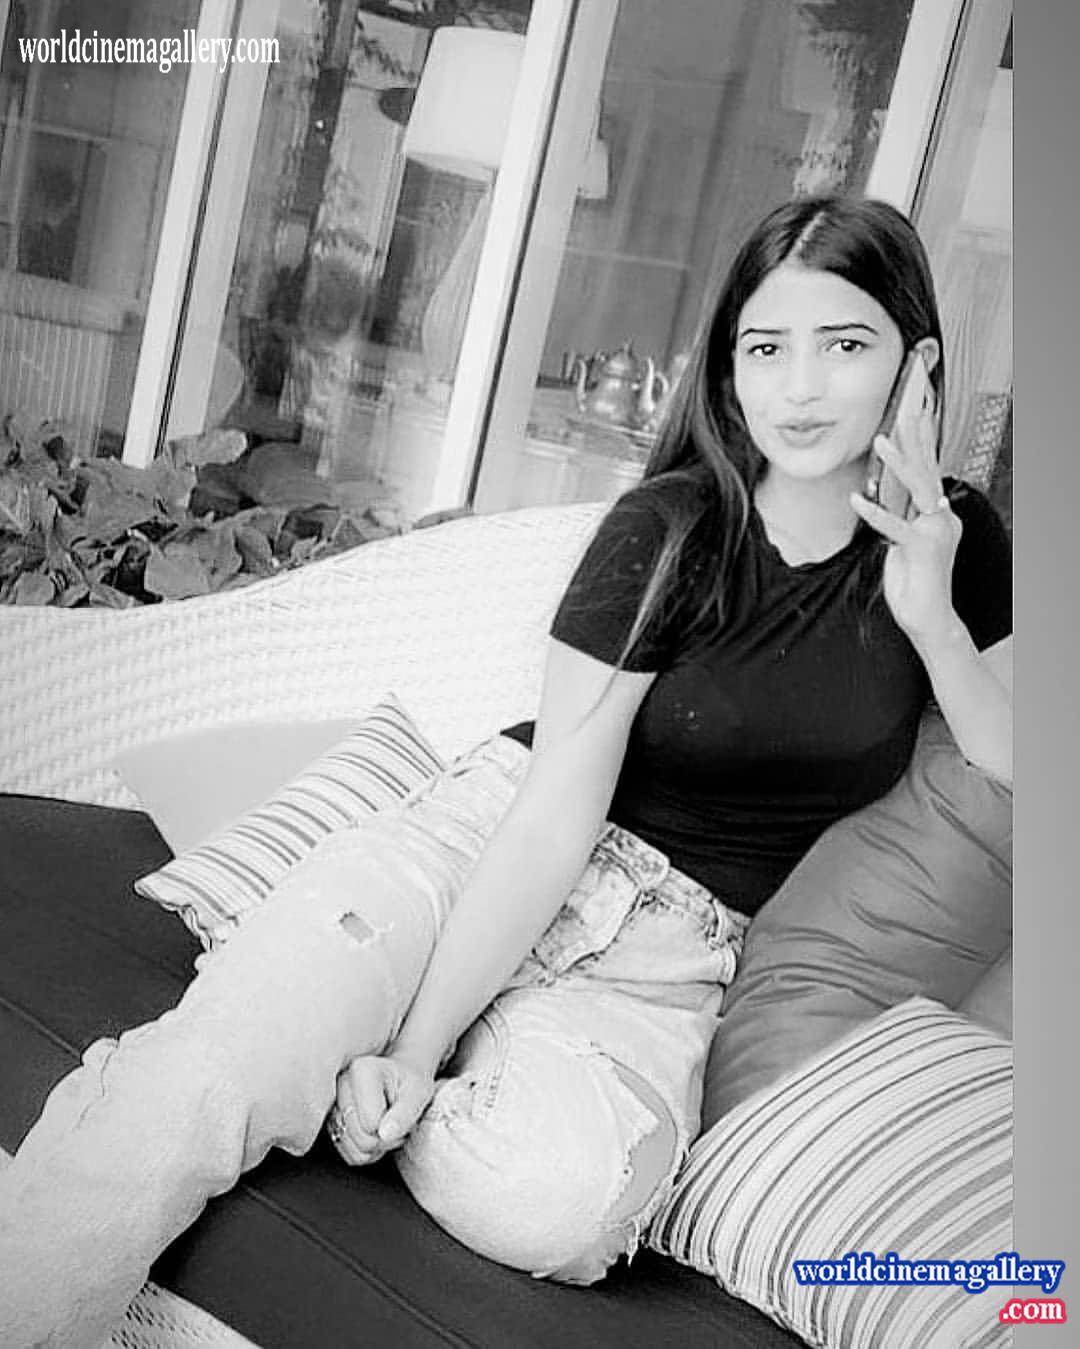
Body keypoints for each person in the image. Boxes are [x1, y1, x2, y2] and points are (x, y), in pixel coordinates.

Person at [0, 195, 1012, 1348]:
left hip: (668, 961)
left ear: (917, 365)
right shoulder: (670, 527)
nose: (801, 387)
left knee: (569, 1206)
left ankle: (346, 1040)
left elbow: (1017, 756)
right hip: (486, 847)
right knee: (205, 1079)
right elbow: (552, 815)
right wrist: (416, 1044)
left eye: (846, 345)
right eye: (767, 347)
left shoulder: (959, 539)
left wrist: (932, 615)